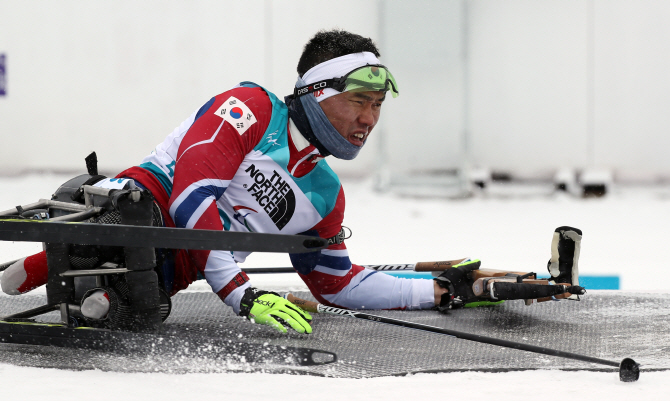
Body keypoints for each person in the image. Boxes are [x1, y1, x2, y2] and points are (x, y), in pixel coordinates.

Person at [0, 30, 543, 334]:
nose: (369, 120)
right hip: (122, 220)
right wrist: (242, 292)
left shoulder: (327, 196)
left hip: (153, 283)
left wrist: (448, 290)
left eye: (377, 106)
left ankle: (78, 289)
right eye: (358, 100)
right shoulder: (251, 107)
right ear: (313, 92)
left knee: (140, 300)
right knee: (137, 220)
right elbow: (192, 195)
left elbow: (340, 286)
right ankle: (26, 270)